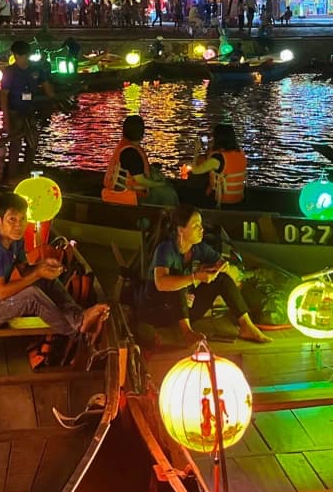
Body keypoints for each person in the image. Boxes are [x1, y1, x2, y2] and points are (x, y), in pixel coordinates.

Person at [0, 193, 109, 339]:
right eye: (12, 220)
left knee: (46, 279)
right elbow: (2, 293)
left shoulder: (16, 239)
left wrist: (41, 266)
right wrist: (37, 273)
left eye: (23, 219)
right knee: (32, 296)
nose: (19, 225)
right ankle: (76, 333)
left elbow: (25, 271)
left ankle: (78, 318)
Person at [137, 205, 270, 344]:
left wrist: (221, 267)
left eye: (200, 225)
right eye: (195, 226)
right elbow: (161, 283)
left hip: (185, 311)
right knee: (178, 281)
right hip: (158, 311)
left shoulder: (198, 248)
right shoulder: (165, 249)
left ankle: (246, 326)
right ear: (181, 230)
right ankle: (187, 333)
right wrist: (195, 277)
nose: (201, 229)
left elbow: (221, 262)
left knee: (221, 279)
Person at [1, 40, 55, 178]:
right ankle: (12, 176)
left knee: (32, 145)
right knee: (15, 146)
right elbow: (4, 96)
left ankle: (25, 174)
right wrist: (6, 120)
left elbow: (48, 90)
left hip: (29, 112)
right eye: (22, 56)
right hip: (15, 113)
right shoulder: (11, 72)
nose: (23, 59)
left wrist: (50, 94)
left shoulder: (35, 70)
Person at [102, 115, 179, 206]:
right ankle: (170, 218)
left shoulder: (124, 147)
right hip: (129, 196)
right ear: (142, 134)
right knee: (168, 193)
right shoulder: (131, 153)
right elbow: (140, 180)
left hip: (118, 191)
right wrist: (160, 184)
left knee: (166, 186)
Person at [188, 124, 247, 206]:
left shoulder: (218, 158)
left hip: (222, 201)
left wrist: (196, 151)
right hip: (238, 198)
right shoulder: (240, 152)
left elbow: (195, 171)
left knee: (195, 178)